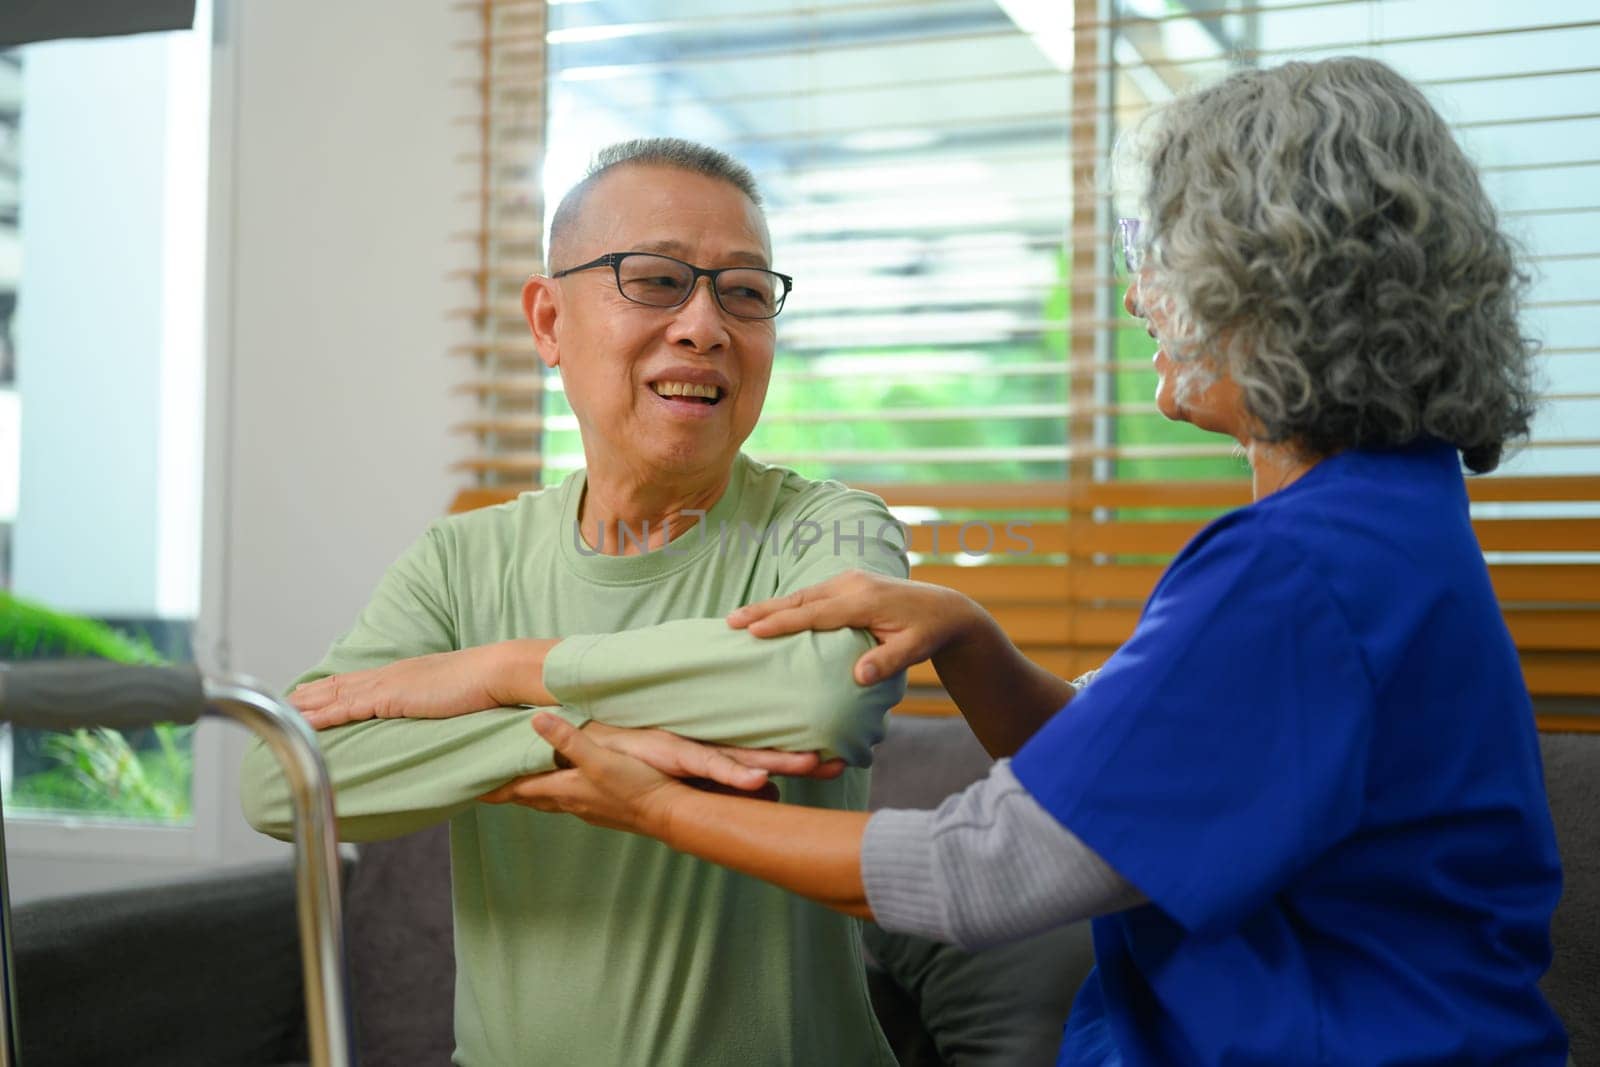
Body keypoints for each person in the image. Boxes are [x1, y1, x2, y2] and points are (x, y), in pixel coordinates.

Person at [491, 58, 1571, 1065]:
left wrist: (652, 805)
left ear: (1284, 290)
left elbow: (982, 869)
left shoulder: (1305, 570)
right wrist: (971, 637)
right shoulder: (1389, 522)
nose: (1141, 293)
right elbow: (1145, 785)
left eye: (1169, 257)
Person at [239, 138, 910, 1065]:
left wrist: (508, 672)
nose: (705, 325)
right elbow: (281, 778)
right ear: (549, 320)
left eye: (746, 292)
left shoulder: (829, 529)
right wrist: (546, 743)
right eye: (656, 280)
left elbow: (820, 701)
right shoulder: (463, 561)